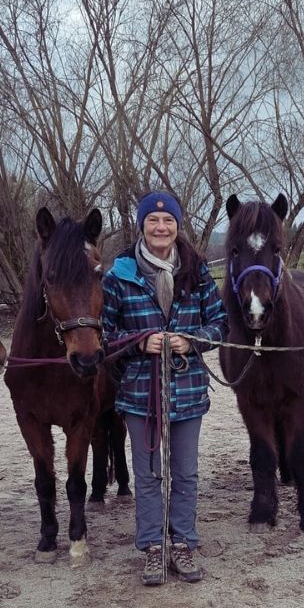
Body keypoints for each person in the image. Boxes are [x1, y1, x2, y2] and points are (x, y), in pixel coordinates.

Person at [101, 191, 228, 586]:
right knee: (149, 475)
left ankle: (183, 542)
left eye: (168, 221)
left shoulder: (197, 271)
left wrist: (193, 340)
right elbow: (105, 336)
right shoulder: (118, 276)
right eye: (153, 221)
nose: (161, 227)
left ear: (177, 225)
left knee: (186, 474)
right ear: (142, 226)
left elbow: (220, 323)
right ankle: (153, 547)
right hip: (140, 395)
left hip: (188, 391)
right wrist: (139, 342)